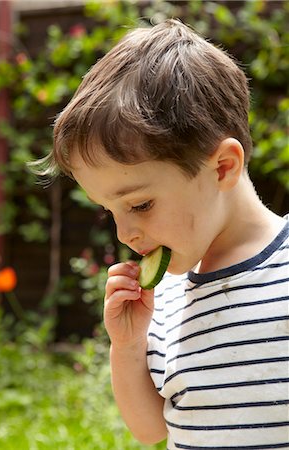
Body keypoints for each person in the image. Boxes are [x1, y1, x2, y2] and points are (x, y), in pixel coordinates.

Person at [35, 19, 289, 449]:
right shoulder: (165, 296)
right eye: (108, 212)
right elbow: (152, 429)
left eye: (139, 205)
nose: (125, 233)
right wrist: (129, 345)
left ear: (222, 167)